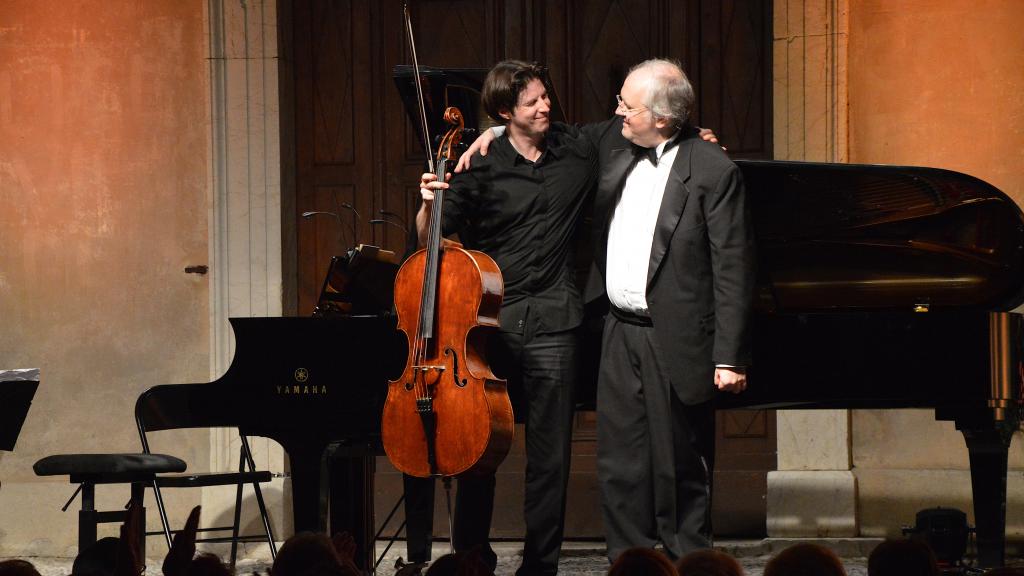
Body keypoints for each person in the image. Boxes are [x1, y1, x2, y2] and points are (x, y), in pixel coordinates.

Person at [461, 58, 753, 563]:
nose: (616, 111)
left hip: (670, 332)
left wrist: (729, 355)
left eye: (627, 104)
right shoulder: (615, 145)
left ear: (660, 118)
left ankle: (691, 565)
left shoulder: (705, 167)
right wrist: (486, 133)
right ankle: (629, 564)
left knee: (678, 466)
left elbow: (734, 265)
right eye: (619, 102)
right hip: (615, 329)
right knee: (620, 464)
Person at [415, 59, 598, 576]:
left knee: (550, 459)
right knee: (478, 450)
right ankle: (473, 558)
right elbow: (432, 240)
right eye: (532, 102)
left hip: (556, 324)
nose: (546, 107)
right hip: (490, 327)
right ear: (503, 112)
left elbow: (639, 125)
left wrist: (693, 129)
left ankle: (541, 567)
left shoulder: (576, 149)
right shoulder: (479, 163)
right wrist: (428, 203)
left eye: (545, 96)